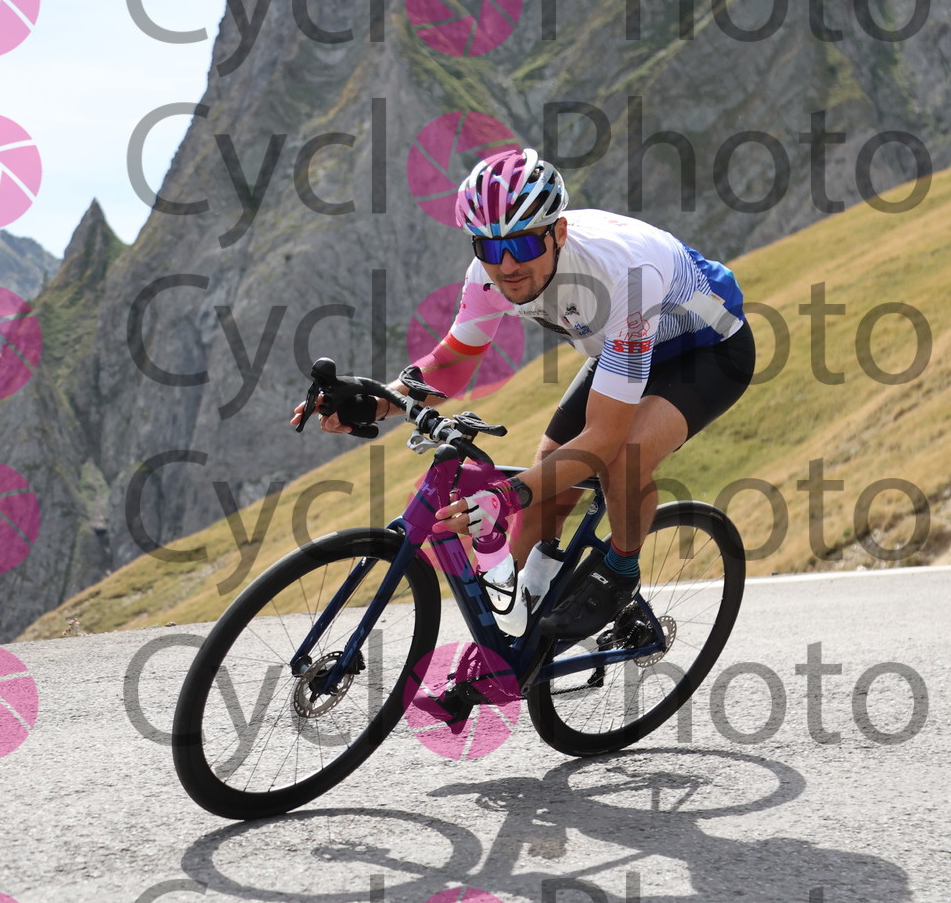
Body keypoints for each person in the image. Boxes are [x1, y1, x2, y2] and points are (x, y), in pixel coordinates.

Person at [305, 146, 753, 640]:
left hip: (708, 349)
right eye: (489, 247)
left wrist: (506, 495)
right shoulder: (488, 273)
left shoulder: (622, 272)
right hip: (622, 346)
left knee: (622, 456)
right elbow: (452, 364)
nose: (506, 265)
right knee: (549, 475)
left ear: (558, 233)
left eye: (521, 245)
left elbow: (603, 438)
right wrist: (375, 402)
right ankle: (520, 630)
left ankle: (620, 573)